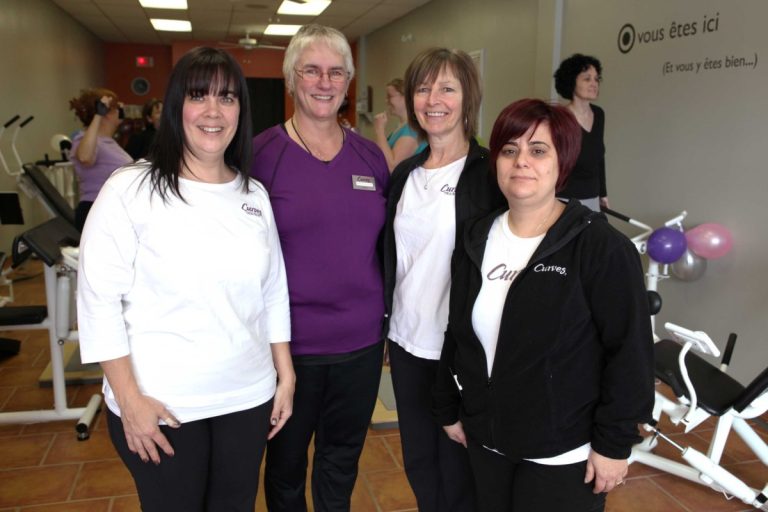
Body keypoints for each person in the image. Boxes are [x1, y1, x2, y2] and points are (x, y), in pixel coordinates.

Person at [77, 47, 294, 512]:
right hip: (162, 404)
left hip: (247, 397)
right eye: (199, 96)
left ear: (240, 111)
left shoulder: (253, 194)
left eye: (227, 98)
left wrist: (286, 373)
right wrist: (129, 400)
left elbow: (273, 290)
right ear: (177, 105)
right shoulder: (129, 189)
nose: (214, 111)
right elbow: (98, 300)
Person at [433, 98, 654, 511]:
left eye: (538, 150)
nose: (521, 161)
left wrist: (614, 444)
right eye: (509, 150)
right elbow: (457, 330)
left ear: (562, 161)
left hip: (563, 451)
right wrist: (448, 406)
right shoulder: (476, 236)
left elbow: (630, 353)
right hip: (488, 439)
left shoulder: (601, 247)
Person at [250, 24, 389, 512]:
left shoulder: (370, 157)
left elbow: (384, 247)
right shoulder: (259, 156)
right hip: (289, 349)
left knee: (340, 462)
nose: (324, 82)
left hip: (361, 344)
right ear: (291, 79)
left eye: (335, 72)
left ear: (348, 81)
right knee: (285, 467)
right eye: (311, 70)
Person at [382, 48, 505, 512]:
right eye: (423, 88)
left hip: (460, 352)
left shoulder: (490, 174)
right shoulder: (405, 176)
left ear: (467, 98)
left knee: (460, 473)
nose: (433, 99)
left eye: (447, 88)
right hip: (407, 344)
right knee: (420, 464)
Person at [69, 88, 132, 231]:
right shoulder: (83, 139)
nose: (121, 109)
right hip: (95, 209)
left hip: (114, 210)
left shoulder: (108, 142)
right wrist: (98, 115)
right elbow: (85, 157)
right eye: (116, 107)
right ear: (106, 113)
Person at [553, 53, 608, 211]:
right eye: (587, 79)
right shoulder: (560, 117)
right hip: (565, 198)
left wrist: (603, 194)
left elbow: (599, 158)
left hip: (592, 196)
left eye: (596, 79)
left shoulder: (599, 114)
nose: (594, 84)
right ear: (572, 82)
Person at [373, 78, 427, 172]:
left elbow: (392, 167)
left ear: (406, 97)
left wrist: (379, 130)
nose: (386, 101)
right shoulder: (401, 127)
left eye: (390, 96)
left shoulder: (413, 129)